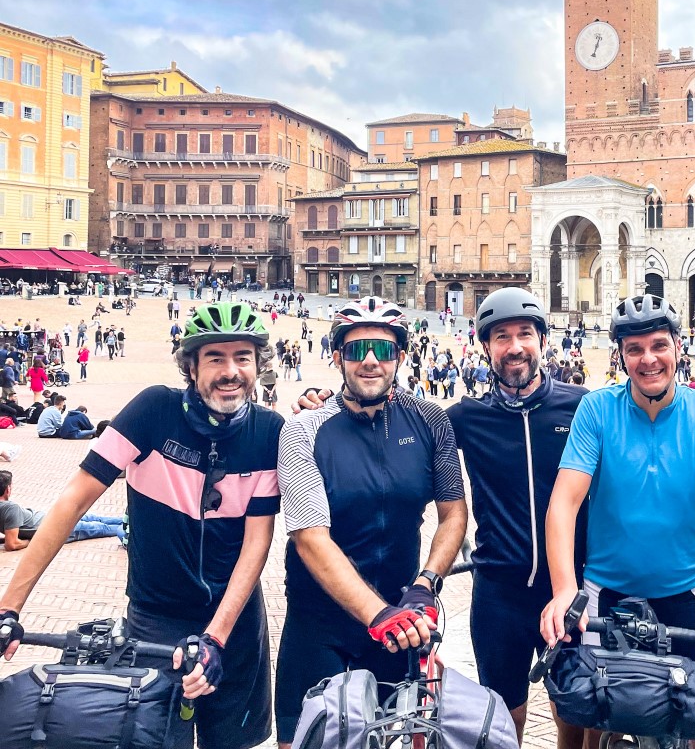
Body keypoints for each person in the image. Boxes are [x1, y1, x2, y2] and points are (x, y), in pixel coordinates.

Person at [0, 301, 284, 749]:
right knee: (151, 738)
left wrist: (216, 637)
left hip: (234, 622)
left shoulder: (270, 431)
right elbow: (73, 502)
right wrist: (9, 608)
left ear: (257, 365)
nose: (231, 371)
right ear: (191, 366)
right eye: (215, 358)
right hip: (156, 617)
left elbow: (257, 544)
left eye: (242, 358)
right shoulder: (154, 410)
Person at [541, 294, 695, 749]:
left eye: (659, 345)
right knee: (598, 725)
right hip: (608, 594)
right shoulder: (597, 410)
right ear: (620, 355)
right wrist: (565, 591)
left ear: (679, 348)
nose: (648, 359)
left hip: (688, 593)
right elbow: (564, 503)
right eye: (634, 349)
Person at [275, 297, 467, 749]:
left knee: (387, 738)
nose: (369, 361)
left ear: (401, 356)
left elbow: (454, 513)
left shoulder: (431, 420)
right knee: (301, 742)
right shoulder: (303, 429)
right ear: (338, 356)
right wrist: (377, 613)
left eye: (382, 350)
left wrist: (426, 584)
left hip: (398, 613)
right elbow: (309, 538)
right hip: (320, 620)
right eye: (356, 349)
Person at [446, 288, 589, 748]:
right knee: (503, 719)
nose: (514, 347)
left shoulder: (583, 406)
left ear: (543, 340)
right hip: (498, 592)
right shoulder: (467, 417)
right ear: (485, 347)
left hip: (570, 588)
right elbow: (400, 422)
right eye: (501, 336)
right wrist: (324, 402)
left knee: (574, 709)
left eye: (525, 333)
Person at [1, 470, 124, 549]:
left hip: (54, 517)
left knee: (92, 518)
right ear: (8, 489)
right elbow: (12, 544)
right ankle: (130, 529)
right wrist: (30, 542)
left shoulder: (7, 508)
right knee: (100, 527)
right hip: (58, 528)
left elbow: (10, 535)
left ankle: (127, 521)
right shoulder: (10, 508)